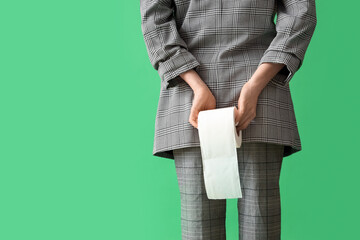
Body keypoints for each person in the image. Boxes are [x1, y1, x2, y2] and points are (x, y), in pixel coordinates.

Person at [140, 0, 317, 239]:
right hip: (262, 97)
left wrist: (197, 87)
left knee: (198, 230)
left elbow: (155, 23)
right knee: (261, 227)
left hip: (189, 99)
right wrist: (254, 86)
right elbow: (300, 14)